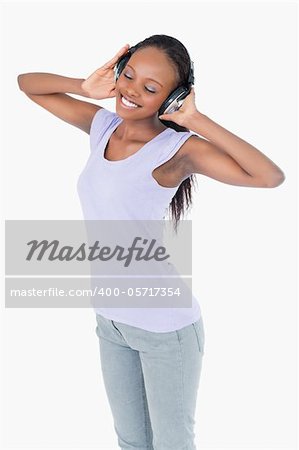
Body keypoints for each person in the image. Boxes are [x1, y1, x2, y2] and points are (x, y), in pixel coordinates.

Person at [17, 34, 285, 450]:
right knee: (131, 442)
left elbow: (269, 177)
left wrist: (194, 120)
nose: (131, 91)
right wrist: (83, 85)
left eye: (151, 88)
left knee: (172, 444)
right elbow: (26, 83)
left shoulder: (178, 150)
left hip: (165, 328)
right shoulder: (102, 126)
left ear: (172, 97)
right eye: (129, 75)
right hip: (112, 322)